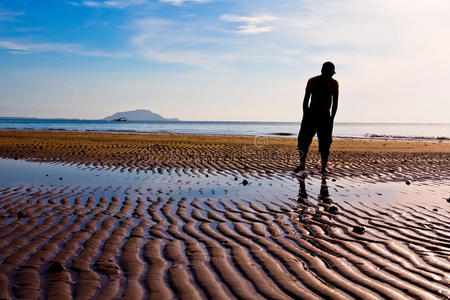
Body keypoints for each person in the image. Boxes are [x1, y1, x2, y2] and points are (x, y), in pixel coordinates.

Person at [295, 62, 339, 174]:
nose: (332, 75)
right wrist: (305, 115)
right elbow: (306, 100)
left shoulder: (334, 83)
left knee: (325, 143)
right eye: (331, 72)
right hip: (311, 114)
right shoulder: (312, 81)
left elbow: (335, 103)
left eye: (333, 73)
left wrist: (332, 118)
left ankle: (323, 167)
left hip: (325, 116)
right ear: (324, 71)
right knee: (303, 141)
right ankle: (302, 165)